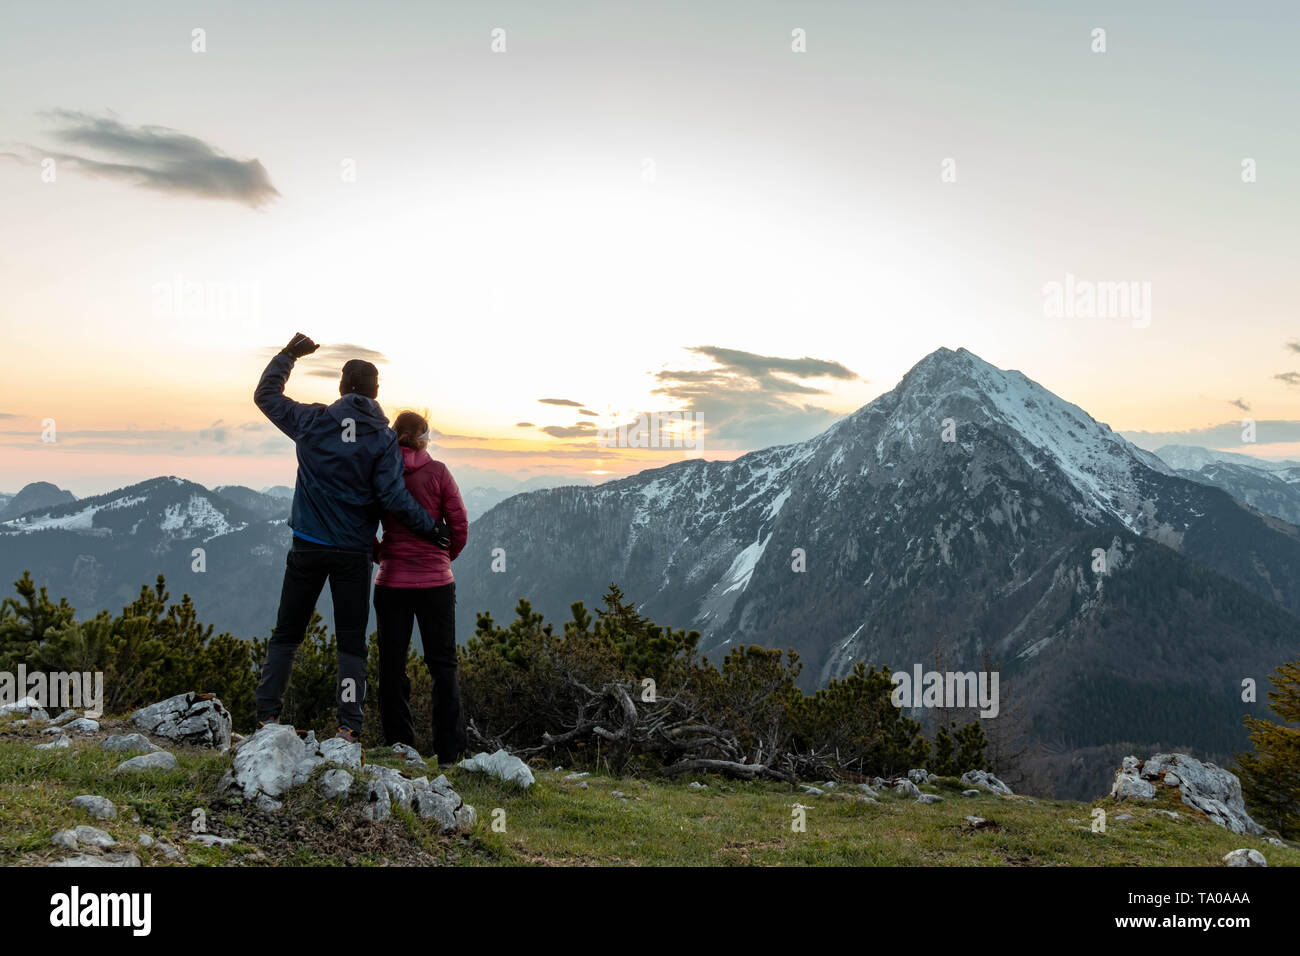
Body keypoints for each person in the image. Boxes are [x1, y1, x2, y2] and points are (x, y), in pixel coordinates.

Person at [253, 332, 449, 743]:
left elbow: (266, 396)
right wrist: (430, 528)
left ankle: (266, 717)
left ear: (341, 388)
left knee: (287, 633)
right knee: (351, 643)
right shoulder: (381, 439)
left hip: (307, 544)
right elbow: (393, 498)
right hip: (353, 553)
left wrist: (289, 356)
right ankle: (348, 727)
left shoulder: (312, 421)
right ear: (377, 392)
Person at [372, 410, 469, 764]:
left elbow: (363, 523)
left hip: (391, 582)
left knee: (392, 666)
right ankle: (449, 753)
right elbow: (459, 527)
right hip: (435, 585)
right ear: (425, 438)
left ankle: (401, 749)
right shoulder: (439, 472)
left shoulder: (381, 472)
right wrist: (442, 558)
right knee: (443, 666)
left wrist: (383, 555)